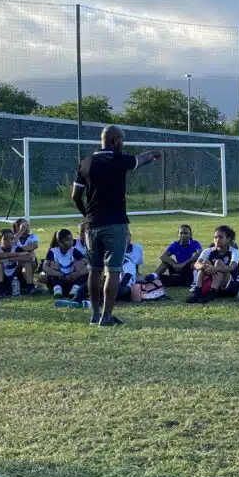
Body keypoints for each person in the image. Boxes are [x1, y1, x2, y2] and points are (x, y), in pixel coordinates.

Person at [71, 124, 161, 326]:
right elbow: (142, 159)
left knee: (94, 270)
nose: (123, 143)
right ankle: (107, 316)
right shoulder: (120, 159)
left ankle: (94, 314)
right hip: (115, 224)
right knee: (113, 270)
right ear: (115, 141)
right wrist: (153, 154)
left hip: (92, 225)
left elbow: (75, 196)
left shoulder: (86, 162)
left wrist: (87, 215)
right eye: (122, 140)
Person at [187, 224, 239, 303]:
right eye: (215, 237)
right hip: (213, 279)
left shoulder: (234, 252)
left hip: (229, 286)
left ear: (228, 239)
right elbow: (196, 264)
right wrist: (206, 267)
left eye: (221, 237)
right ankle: (198, 290)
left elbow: (232, 267)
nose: (217, 240)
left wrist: (215, 268)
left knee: (218, 262)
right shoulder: (208, 251)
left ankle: (212, 292)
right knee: (205, 263)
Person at [42, 228, 89, 299]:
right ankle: (57, 290)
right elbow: (45, 267)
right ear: (59, 242)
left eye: (71, 239)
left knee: (83, 272)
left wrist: (76, 274)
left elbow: (88, 264)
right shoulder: (53, 251)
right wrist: (59, 274)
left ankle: (75, 289)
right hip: (58, 279)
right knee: (53, 266)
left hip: (71, 279)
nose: (71, 242)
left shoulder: (74, 250)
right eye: (67, 240)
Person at [0, 228, 32, 297]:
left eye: (11, 238)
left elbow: (28, 257)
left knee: (26, 262)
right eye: (5, 239)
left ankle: (30, 287)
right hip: (1, 278)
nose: (9, 241)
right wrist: (17, 254)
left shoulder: (16, 248)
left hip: (15, 278)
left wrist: (10, 259)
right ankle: (1, 290)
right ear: (0, 240)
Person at [11, 218, 40, 293]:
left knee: (28, 260)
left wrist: (18, 250)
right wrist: (21, 231)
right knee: (25, 259)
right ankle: (27, 284)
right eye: (23, 226)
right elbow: (11, 246)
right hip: (16, 262)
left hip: (30, 262)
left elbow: (34, 245)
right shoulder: (13, 237)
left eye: (27, 226)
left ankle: (29, 286)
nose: (26, 229)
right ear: (16, 228)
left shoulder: (32, 236)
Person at [118, 230, 144, 301]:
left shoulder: (138, 248)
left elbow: (136, 269)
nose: (125, 238)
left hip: (131, 277)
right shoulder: (115, 250)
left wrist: (138, 278)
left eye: (127, 235)